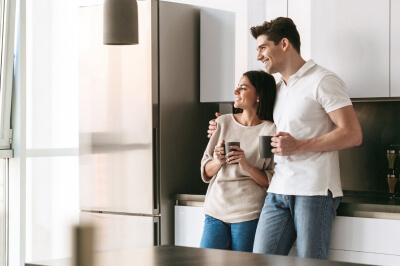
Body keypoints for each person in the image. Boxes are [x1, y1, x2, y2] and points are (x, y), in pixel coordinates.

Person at [207, 17, 362, 259]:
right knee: (259, 260)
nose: (258, 56)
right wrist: (221, 125)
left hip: (314, 191)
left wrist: (299, 145)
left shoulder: (323, 80)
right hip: (278, 189)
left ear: (284, 44)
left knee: (311, 262)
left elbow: (353, 134)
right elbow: (256, 127)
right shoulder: (278, 90)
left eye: (262, 48)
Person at [200, 70, 276, 252]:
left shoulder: (270, 130)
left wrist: (246, 165)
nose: (235, 92)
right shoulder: (223, 123)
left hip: (248, 214)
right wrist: (218, 161)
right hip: (215, 211)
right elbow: (205, 171)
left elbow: (270, 181)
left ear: (259, 95)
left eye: (242, 88)